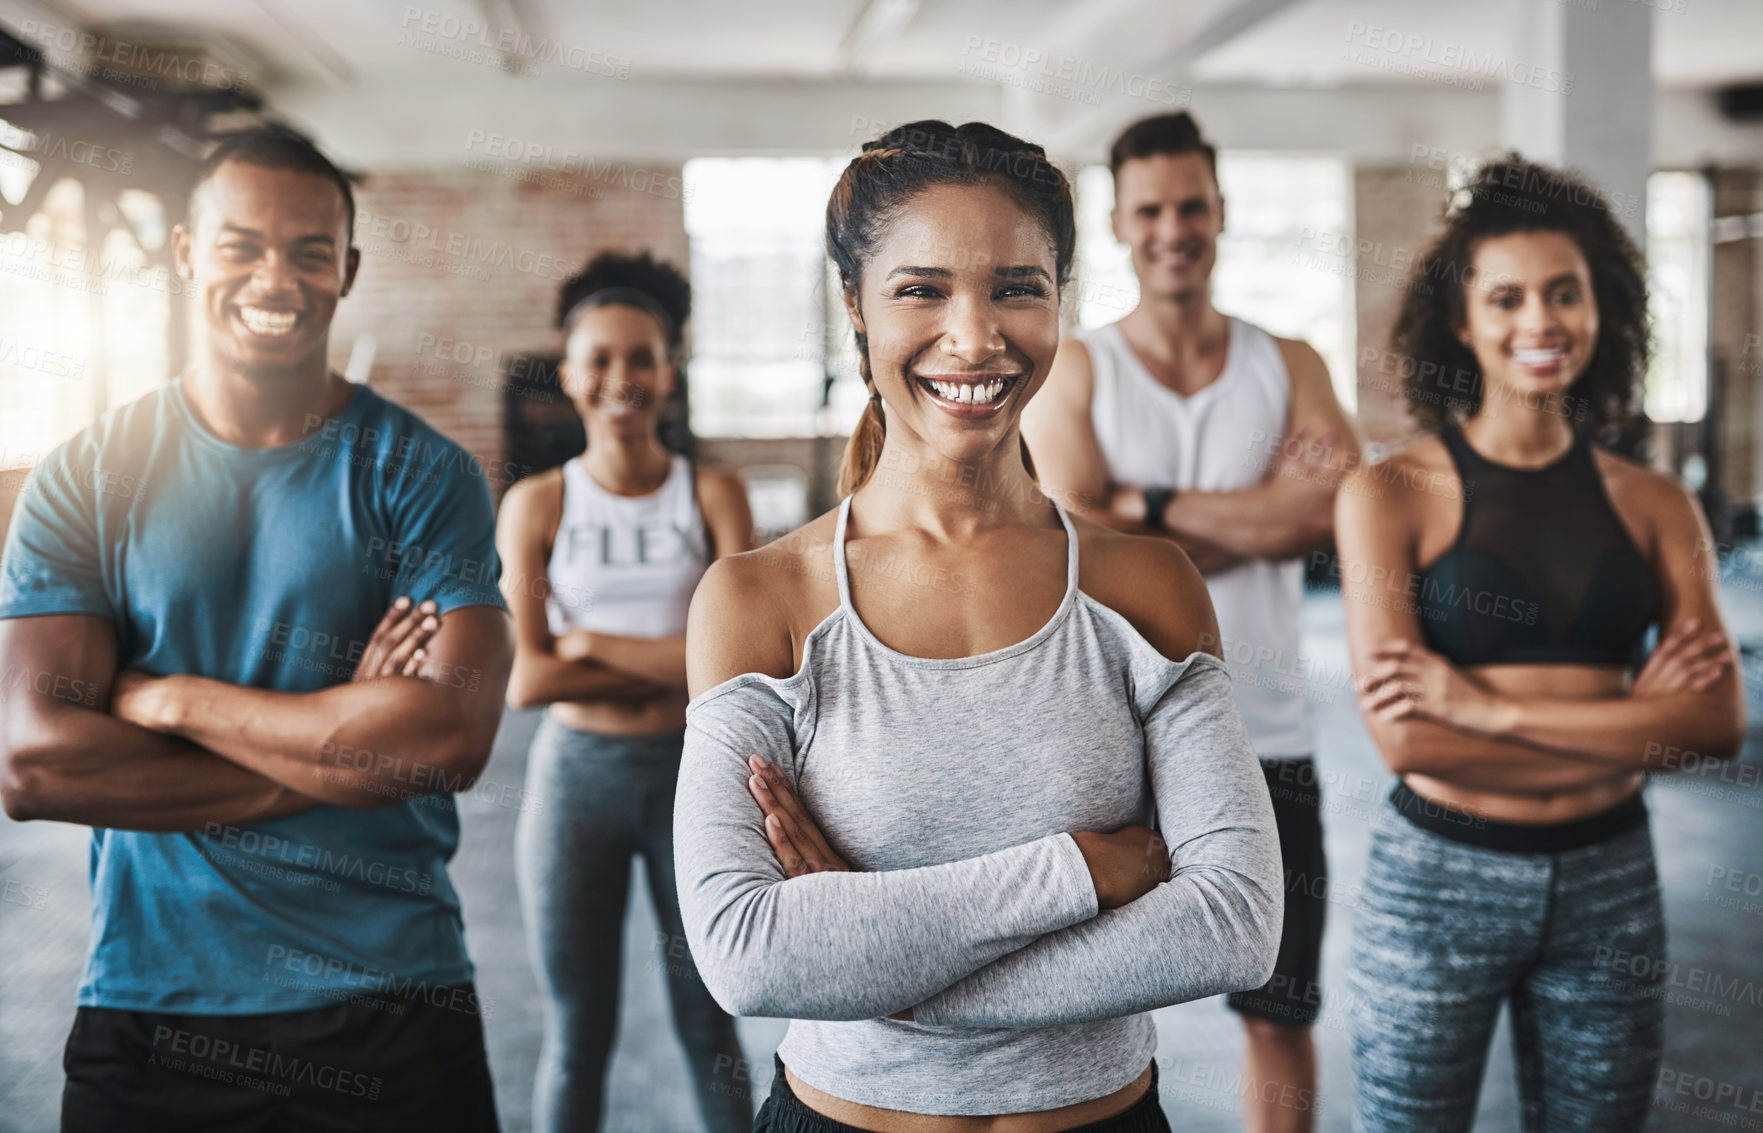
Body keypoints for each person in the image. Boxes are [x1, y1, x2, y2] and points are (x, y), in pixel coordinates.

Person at [672, 119, 1285, 1133]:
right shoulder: (760, 600)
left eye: (1016, 286)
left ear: (1060, 300)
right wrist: (1081, 871)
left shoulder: (1144, 585)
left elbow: (1231, 922)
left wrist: (895, 978)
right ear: (854, 309)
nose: (974, 336)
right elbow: (747, 948)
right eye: (920, 288)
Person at [0, 126, 513, 1129]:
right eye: (241, 245)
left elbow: (447, 737)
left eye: (309, 251)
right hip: (153, 1002)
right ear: (188, 251)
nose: (274, 277)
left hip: (391, 993)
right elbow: (36, 766)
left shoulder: (421, 474)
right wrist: (336, 748)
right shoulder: (85, 476)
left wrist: (168, 699)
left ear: (347, 269)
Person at [1336, 155, 1745, 1132]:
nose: (1539, 320)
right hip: (1437, 878)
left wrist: (1488, 705)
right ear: (1462, 320)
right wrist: (1633, 716)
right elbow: (1411, 742)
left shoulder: (1654, 504)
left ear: (1598, 305)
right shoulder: (1388, 496)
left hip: (1607, 876)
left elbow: (1713, 722)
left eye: (1563, 292)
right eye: (1507, 296)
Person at [1021, 111, 1356, 1133]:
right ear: (1119, 224)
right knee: (1083, 1019)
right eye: (1151, 209)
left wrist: (1150, 507)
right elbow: (1076, 535)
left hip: (1269, 740)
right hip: (1113, 747)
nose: (1174, 227)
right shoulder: (1077, 367)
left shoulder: (1288, 359)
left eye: (1192, 205)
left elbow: (1330, 510)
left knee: (1278, 1010)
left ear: (1221, 212)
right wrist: (1249, 513)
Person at [496, 251, 755, 1132]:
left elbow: (738, 668)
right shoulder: (537, 506)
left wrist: (592, 640)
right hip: (577, 781)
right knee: (579, 1031)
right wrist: (678, 655)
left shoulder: (713, 494)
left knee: (708, 1018)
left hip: (694, 780)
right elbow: (528, 676)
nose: (620, 378)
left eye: (640, 357)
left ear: (668, 372)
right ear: (568, 375)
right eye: (599, 359)